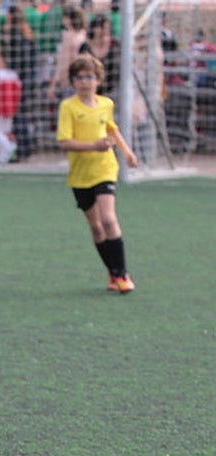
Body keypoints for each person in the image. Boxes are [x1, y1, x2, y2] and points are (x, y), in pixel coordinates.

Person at [56, 54, 138, 293]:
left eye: (90, 77)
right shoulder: (68, 107)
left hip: (105, 168)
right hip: (81, 175)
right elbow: (64, 141)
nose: (85, 82)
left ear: (98, 80)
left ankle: (121, 274)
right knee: (96, 227)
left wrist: (126, 152)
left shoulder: (106, 104)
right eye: (80, 77)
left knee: (108, 219)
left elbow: (111, 128)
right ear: (73, 82)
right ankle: (113, 274)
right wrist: (94, 145)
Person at [3, 3, 37, 162]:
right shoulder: (25, 32)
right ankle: (25, 146)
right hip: (27, 77)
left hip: (21, 79)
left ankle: (23, 148)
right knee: (21, 114)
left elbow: (20, 60)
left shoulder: (17, 34)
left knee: (18, 114)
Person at [0, 49, 22, 165]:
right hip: (10, 107)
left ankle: (9, 146)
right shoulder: (13, 74)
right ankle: (3, 157)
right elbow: (18, 92)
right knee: (3, 132)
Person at [48, 5, 86, 102]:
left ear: (68, 19)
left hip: (69, 80)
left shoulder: (67, 36)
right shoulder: (84, 34)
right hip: (83, 79)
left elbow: (62, 63)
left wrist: (54, 84)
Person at [78, 14, 119, 98]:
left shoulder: (115, 45)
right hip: (91, 91)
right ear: (94, 29)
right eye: (102, 28)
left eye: (108, 28)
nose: (105, 31)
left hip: (112, 89)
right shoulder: (85, 47)